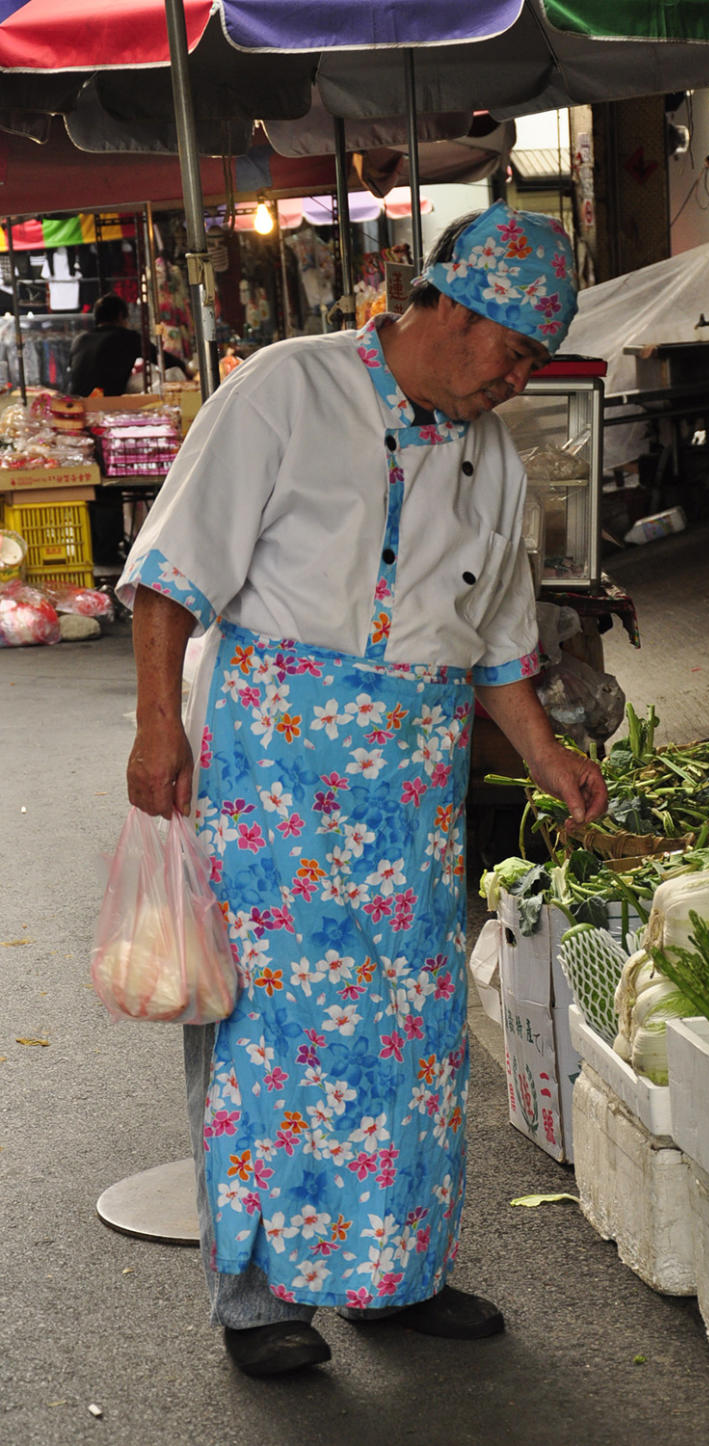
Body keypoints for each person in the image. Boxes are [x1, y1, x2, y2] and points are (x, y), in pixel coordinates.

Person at [116, 202, 608, 1379]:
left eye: (538, 360)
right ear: (440, 302)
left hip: (413, 793)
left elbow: (495, 641)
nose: (517, 377)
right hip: (277, 779)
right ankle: (252, 1301)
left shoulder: (492, 454)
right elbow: (172, 573)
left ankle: (391, 1276)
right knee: (265, 1034)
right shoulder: (287, 390)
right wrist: (154, 726)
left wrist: (545, 754)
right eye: (510, 348)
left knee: (409, 1042)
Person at [68, 292, 187, 396]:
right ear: (121, 315)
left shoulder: (79, 340)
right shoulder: (127, 337)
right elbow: (162, 359)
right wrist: (187, 369)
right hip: (107, 405)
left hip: (76, 404)